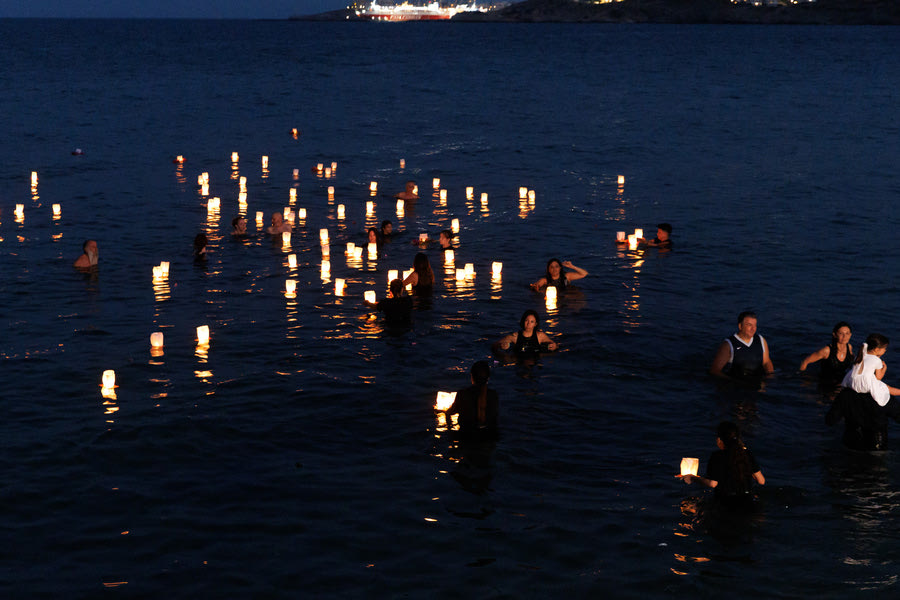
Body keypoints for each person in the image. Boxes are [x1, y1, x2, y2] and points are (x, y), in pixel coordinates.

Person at [679, 421, 765, 510]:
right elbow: (761, 481)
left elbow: (713, 484)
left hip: (725, 503)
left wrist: (693, 478)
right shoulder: (747, 454)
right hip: (748, 502)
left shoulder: (717, 456)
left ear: (719, 439)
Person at [826, 386, 900, 451]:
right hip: (877, 447)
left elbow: (830, 421)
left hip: (850, 445)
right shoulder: (882, 396)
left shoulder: (845, 394)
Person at [709, 311, 774, 381]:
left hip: (758, 383)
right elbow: (715, 370)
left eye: (755, 325)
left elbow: (766, 362)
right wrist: (733, 382)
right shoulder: (728, 345)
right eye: (749, 325)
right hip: (737, 387)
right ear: (740, 326)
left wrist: (770, 377)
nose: (753, 329)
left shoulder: (761, 340)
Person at [840, 334, 900, 407]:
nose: (885, 350)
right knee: (886, 387)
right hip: (864, 386)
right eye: (884, 348)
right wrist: (884, 368)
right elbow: (878, 378)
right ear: (877, 349)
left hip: (851, 382)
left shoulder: (859, 356)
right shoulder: (877, 360)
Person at [444, 360, 499, 439]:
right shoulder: (493, 395)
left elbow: (449, 413)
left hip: (466, 437)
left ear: (472, 376)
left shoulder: (463, 394)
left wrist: (451, 431)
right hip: (489, 438)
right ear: (488, 378)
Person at [492, 309, 558, 357]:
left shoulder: (540, 336)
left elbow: (555, 346)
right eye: (526, 320)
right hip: (519, 361)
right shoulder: (515, 336)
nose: (528, 323)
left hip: (535, 362)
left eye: (532, 322)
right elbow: (494, 345)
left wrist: (554, 346)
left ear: (535, 324)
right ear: (523, 321)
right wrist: (501, 346)